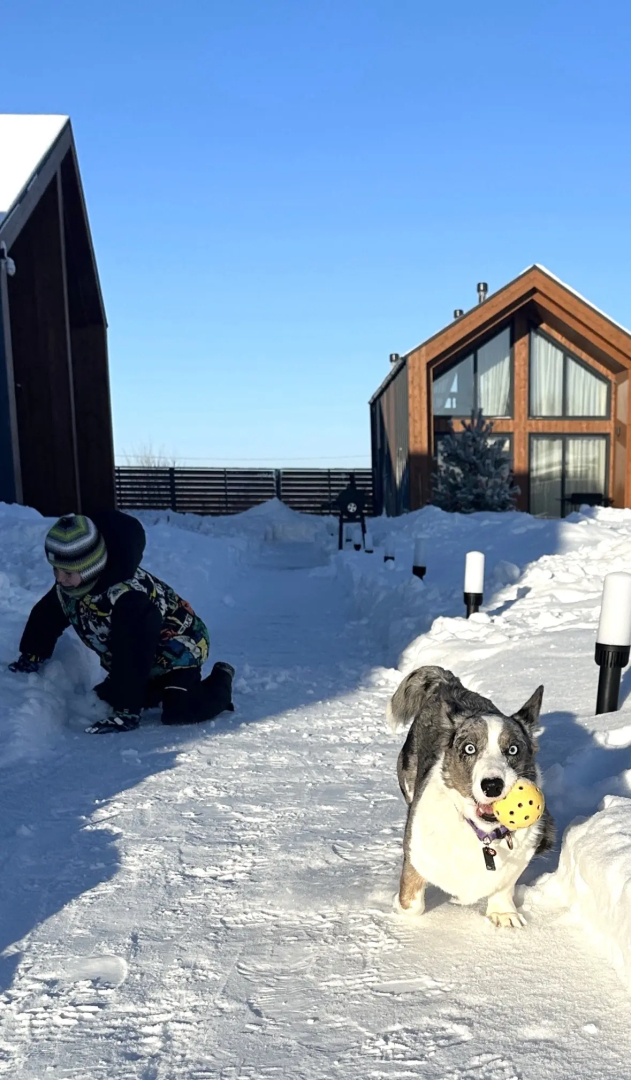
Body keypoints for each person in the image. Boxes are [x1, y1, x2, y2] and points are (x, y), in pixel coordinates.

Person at [9, 511, 235, 734]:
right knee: (102, 701)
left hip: (178, 650)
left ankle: (221, 678)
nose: (59, 578)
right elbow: (46, 617)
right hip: (137, 653)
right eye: (55, 569)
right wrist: (31, 655)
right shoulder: (71, 587)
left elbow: (134, 652)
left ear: (89, 566)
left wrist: (127, 711)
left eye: (67, 572)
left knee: (179, 711)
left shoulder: (127, 597)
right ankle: (154, 688)